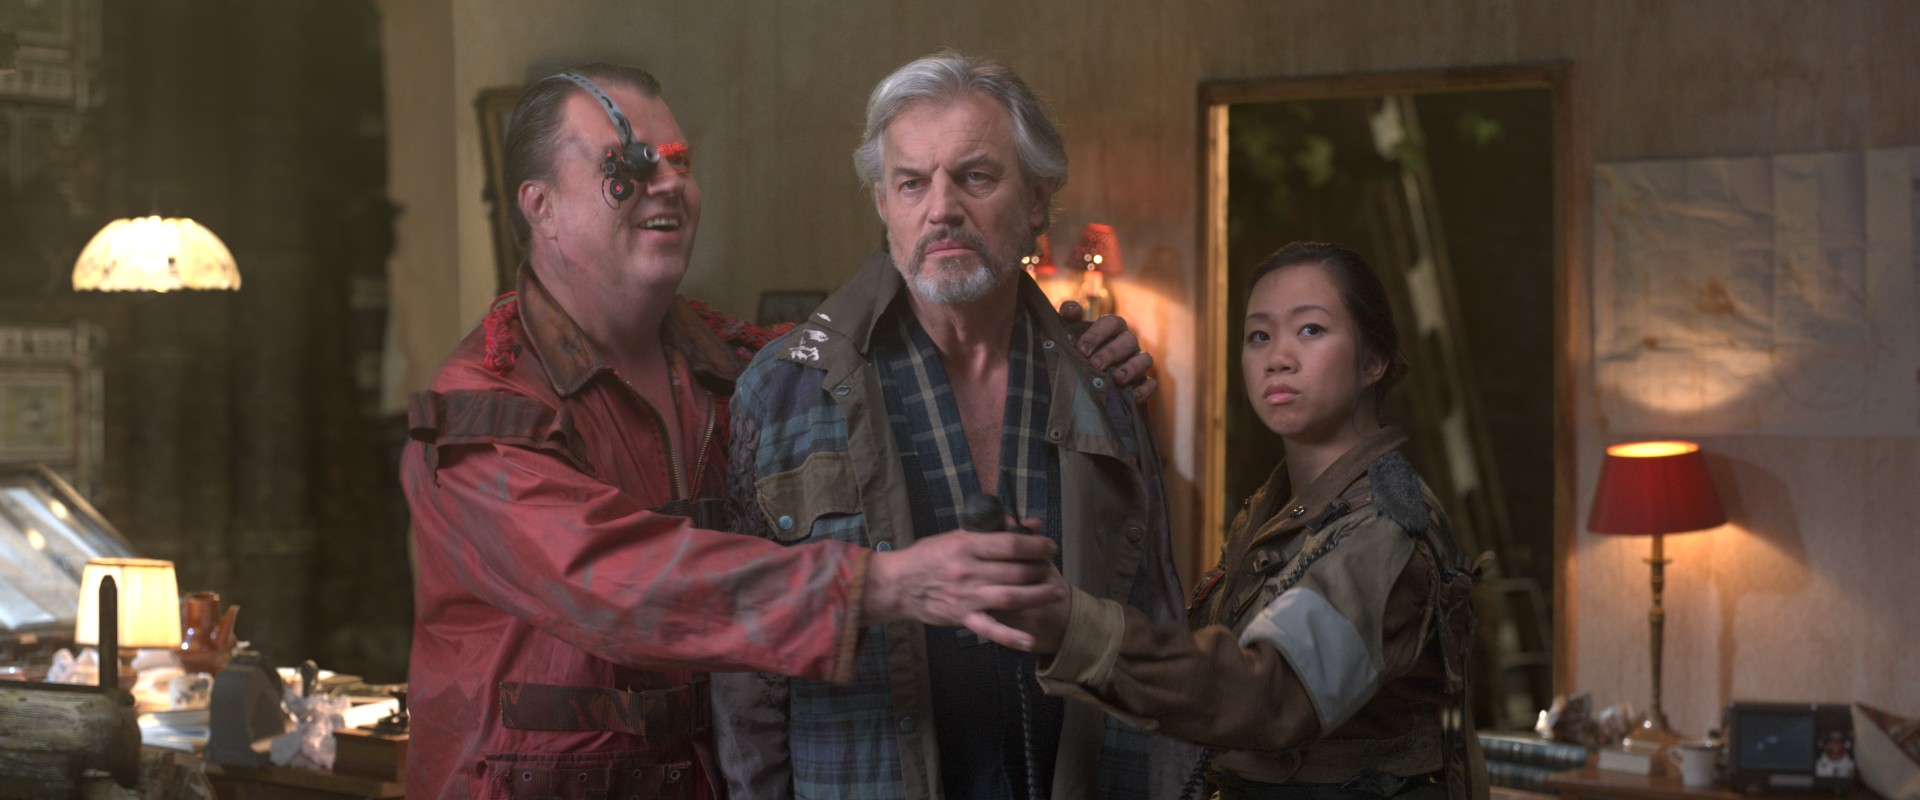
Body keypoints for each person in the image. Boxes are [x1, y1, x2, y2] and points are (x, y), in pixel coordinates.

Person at [400, 63, 1152, 800]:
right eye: (624, 167)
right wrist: (887, 583)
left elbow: (896, 352)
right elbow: (608, 583)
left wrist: (1069, 351)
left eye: (678, 161)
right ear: (540, 206)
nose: (667, 184)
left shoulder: (745, 371)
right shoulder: (482, 407)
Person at [714, 51, 1193, 800]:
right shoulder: (784, 392)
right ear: (883, 203)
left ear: (1037, 197)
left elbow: (1157, 630)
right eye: (912, 182)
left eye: (975, 176)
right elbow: (748, 674)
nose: (941, 208)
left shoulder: (1104, 386)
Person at [1007, 242, 1489, 800]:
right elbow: (1195, 655)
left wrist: (1073, 627)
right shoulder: (1274, 511)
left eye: (1310, 330)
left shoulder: (1384, 526)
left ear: (1373, 361)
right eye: (1259, 335)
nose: (1278, 357)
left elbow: (1273, 695)